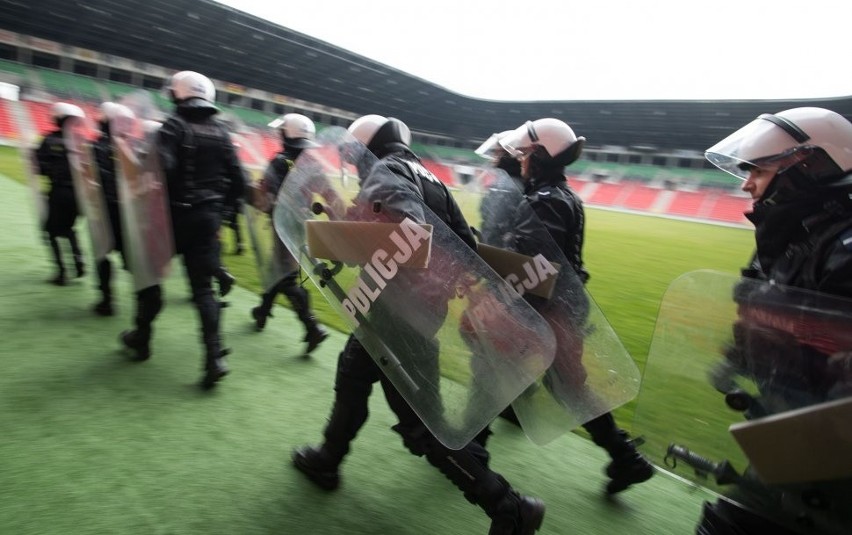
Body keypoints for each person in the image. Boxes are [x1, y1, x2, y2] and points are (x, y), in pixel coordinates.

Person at [291, 115, 545, 535]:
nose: (353, 164)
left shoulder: (386, 172)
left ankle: (509, 505)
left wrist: (333, 238)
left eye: (354, 154)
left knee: (421, 425)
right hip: (409, 308)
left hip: (400, 313)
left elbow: (405, 234)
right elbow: (463, 242)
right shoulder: (428, 175)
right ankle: (327, 460)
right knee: (353, 373)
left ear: (367, 148)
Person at [696, 107, 852, 533]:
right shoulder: (791, 236)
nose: (746, 184)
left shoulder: (843, 248)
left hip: (825, 450)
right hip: (791, 432)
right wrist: (740, 353)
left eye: (759, 172)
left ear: (806, 169)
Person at [485, 118, 654, 495]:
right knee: (560, 385)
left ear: (540, 157)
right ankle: (626, 458)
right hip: (559, 306)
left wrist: (504, 305)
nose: (521, 161)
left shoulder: (546, 201)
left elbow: (534, 265)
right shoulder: (557, 196)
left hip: (548, 309)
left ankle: (471, 451)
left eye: (526, 154)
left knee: (550, 382)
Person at [120, 70, 247, 389]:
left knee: (148, 277)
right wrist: (223, 211)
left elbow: (160, 171)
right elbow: (240, 182)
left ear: (178, 94)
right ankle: (215, 357)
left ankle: (142, 336)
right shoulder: (222, 132)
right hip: (208, 220)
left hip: (172, 219)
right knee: (203, 290)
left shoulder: (173, 126)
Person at [250, 113, 328, 354]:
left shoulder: (278, 162)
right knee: (278, 268)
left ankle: (312, 326)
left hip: (283, 223)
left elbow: (265, 197)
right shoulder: (312, 164)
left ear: (287, 134)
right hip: (302, 225)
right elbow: (329, 194)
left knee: (285, 277)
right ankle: (262, 310)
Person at [35, 102, 86, 286]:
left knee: (51, 231)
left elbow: (38, 167)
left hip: (58, 192)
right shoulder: (82, 142)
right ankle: (79, 260)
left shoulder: (49, 141)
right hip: (79, 195)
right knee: (69, 228)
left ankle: (61, 272)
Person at [90, 102, 133, 316]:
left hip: (105, 212)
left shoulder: (95, 148)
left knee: (102, 255)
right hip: (130, 215)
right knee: (134, 260)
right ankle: (145, 304)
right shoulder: (134, 148)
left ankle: (107, 300)